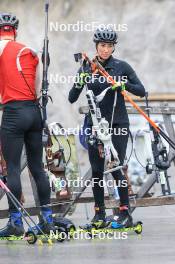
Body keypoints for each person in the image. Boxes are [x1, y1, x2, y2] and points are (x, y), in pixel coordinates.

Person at [69, 27, 145, 228]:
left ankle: (125, 212)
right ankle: (99, 214)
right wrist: (80, 82)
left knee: (116, 168)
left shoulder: (122, 67)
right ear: (96, 46)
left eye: (110, 46)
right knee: (96, 171)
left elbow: (142, 91)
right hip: (96, 126)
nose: (106, 50)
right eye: (103, 45)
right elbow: (71, 97)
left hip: (118, 124)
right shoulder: (87, 67)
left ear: (113, 48)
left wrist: (124, 85)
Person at [0, 12, 55, 236]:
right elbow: (39, 87)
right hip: (34, 112)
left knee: (12, 168)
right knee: (37, 168)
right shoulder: (30, 51)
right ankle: (47, 220)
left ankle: (15, 223)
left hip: (13, 113)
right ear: (15, 32)